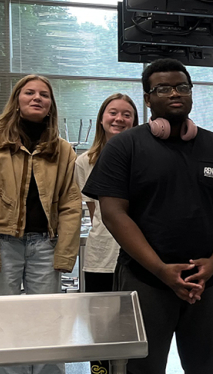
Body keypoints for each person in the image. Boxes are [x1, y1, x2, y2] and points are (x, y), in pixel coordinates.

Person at [82, 58, 213, 373]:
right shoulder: (124, 147)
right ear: (147, 99)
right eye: (163, 88)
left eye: (182, 87)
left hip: (209, 282)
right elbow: (113, 213)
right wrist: (161, 269)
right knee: (142, 367)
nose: (174, 93)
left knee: (206, 366)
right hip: (146, 280)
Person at [0, 74, 82, 374]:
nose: (37, 98)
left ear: (51, 105)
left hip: (45, 246)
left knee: (48, 321)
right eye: (29, 93)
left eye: (44, 94)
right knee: (1, 323)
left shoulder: (63, 150)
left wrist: (65, 254)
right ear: (16, 100)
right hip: (2, 246)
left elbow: (70, 204)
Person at [73, 93, 138, 374]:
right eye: (113, 112)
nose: (119, 119)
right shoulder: (85, 161)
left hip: (138, 254)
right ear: (102, 118)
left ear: (135, 121)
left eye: (127, 114)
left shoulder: (145, 158)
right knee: (99, 325)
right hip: (101, 255)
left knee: (133, 324)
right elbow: (94, 212)